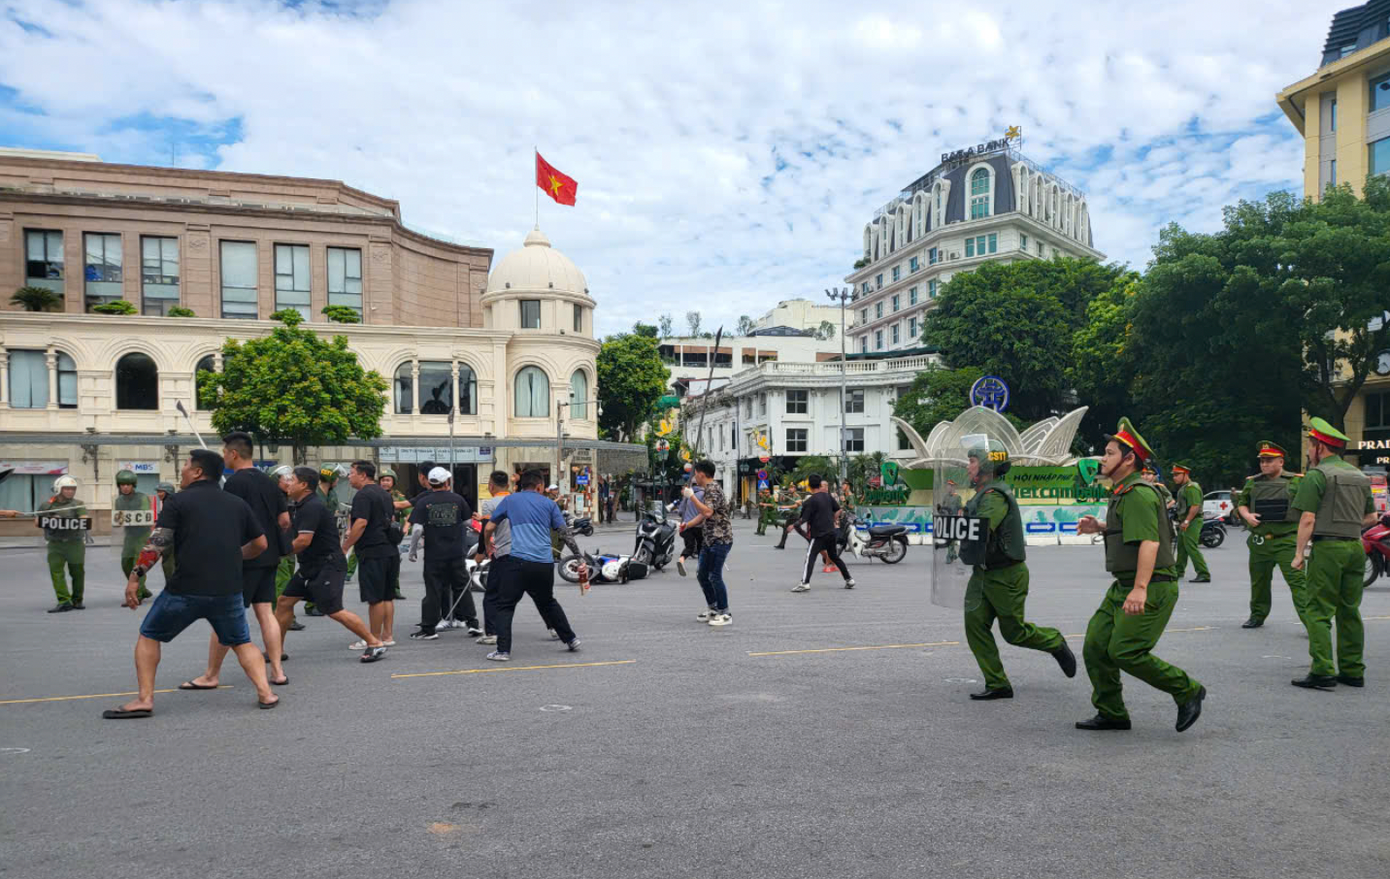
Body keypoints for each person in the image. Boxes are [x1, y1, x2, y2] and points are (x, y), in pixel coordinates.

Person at [102, 449, 278, 719]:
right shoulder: (236, 503)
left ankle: (144, 699)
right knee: (242, 641)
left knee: (149, 635)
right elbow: (261, 544)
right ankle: (266, 693)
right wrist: (235, 556)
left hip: (185, 588)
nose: (181, 470)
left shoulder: (178, 502)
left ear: (197, 472)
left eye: (185, 465)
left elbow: (157, 543)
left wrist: (135, 577)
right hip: (227, 588)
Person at [1074, 418, 1205, 733]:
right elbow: (1133, 531)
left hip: (1152, 585)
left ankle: (1187, 689)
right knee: (1095, 644)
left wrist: (1140, 589)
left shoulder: (1138, 493)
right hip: (1123, 585)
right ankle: (1112, 711)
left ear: (1128, 459)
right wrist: (1101, 527)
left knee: (1125, 651)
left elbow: (1150, 541)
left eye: (1108, 453)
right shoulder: (1122, 492)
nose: (1102, 459)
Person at [958, 444, 1075, 700]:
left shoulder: (994, 496)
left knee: (1014, 633)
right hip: (983, 572)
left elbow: (983, 527)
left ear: (987, 466)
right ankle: (997, 683)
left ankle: (1054, 641)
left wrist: (958, 526)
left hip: (1005, 573)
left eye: (973, 461)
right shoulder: (981, 493)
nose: (968, 466)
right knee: (975, 625)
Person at [181, 433, 291, 690]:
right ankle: (277, 670)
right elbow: (285, 521)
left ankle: (211, 674)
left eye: (224, 452)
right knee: (265, 612)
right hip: (270, 555)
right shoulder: (270, 482)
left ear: (233, 454)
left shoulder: (234, 484)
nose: (223, 457)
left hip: (245, 556)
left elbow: (228, 523)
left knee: (225, 613)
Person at [1290, 418, 1376, 690]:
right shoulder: (1359, 476)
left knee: (1317, 610)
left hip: (1328, 548)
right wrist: (1347, 527)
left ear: (1319, 447)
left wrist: (1299, 553)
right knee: (1349, 609)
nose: (1308, 451)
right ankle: (1352, 670)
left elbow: (1307, 519)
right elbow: (1372, 517)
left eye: (1309, 445)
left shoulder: (1318, 475)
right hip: (1355, 546)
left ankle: (1323, 670)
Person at [274, 467, 387, 662]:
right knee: (284, 602)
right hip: (310, 566)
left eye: (292, 479)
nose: (288, 483)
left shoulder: (312, 507)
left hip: (327, 566)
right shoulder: (301, 505)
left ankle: (374, 643)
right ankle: (275, 650)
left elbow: (303, 541)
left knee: (333, 610)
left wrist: (277, 554)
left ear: (303, 485)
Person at [482, 469, 581, 661]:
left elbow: (489, 527)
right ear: (540, 486)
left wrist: (488, 545)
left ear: (521, 485)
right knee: (548, 602)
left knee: (505, 605)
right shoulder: (549, 504)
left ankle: (503, 651)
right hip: (544, 564)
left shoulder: (510, 500)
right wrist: (578, 556)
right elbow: (564, 533)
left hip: (518, 562)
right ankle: (571, 639)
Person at [1235, 441, 1310, 631]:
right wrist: (1247, 515)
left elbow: (1308, 510)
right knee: (1259, 582)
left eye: (1269, 460)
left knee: (1298, 583)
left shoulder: (1297, 481)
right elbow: (1242, 504)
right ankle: (1257, 615)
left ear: (1281, 462)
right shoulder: (1253, 482)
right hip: (1260, 541)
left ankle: (1311, 622)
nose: (1264, 464)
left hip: (1287, 540)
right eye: (1262, 461)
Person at [407, 467, 482, 640]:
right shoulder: (457, 499)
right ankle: (473, 624)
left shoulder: (424, 501)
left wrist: (412, 550)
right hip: (456, 552)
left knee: (433, 590)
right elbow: (468, 522)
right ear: (447, 482)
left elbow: (417, 529)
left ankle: (429, 629)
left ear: (431, 482)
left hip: (434, 554)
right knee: (462, 587)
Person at [343, 460, 399, 650]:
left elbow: (361, 523)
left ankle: (373, 638)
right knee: (387, 596)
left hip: (373, 551)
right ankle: (387, 635)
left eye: (351, 473)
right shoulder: (385, 494)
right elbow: (391, 519)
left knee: (375, 598)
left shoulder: (363, 495)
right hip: (390, 550)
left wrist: (346, 546)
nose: (349, 477)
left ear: (362, 475)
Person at [790, 474, 855, 593]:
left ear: (809, 486)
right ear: (820, 485)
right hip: (831, 532)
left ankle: (805, 583)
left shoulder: (809, 501)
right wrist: (833, 519)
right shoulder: (828, 497)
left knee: (810, 557)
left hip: (819, 534)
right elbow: (838, 509)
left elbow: (803, 519)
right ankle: (849, 579)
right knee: (834, 556)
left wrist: (792, 526)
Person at [688, 460, 733, 626]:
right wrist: (688, 525)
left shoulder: (713, 489)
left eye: (695, 473)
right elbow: (705, 514)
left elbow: (707, 511)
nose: (694, 477)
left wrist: (691, 496)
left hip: (720, 539)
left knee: (714, 576)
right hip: (709, 538)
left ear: (701, 473)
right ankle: (713, 608)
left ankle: (725, 612)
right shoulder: (708, 490)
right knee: (702, 574)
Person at [39, 475, 89, 612]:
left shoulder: (78, 504)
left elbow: (84, 519)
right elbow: (38, 522)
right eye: (67, 488)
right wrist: (50, 518)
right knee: (56, 573)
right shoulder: (47, 505)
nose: (70, 491)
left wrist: (63, 519)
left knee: (77, 572)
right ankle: (64, 600)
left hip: (75, 543)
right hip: (55, 543)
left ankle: (77, 600)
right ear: (58, 489)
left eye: (73, 489)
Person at [268, 466, 303, 631]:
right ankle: (283, 617)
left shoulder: (291, 499)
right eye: (286, 479)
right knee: (282, 584)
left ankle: (285, 616)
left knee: (287, 581)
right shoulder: (273, 499)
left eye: (291, 479)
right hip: (279, 547)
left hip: (290, 546)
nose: (290, 482)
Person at [113, 469, 155, 604]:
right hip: (129, 536)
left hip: (142, 535)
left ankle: (138, 594)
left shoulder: (142, 497)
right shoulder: (119, 500)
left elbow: (144, 514)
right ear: (119, 486)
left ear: (133, 485)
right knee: (125, 563)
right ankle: (143, 589)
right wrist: (116, 521)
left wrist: (129, 516)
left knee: (138, 566)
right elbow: (118, 519)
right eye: (122, 485)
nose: (125, 487)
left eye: (128, 484)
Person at [1170, 463, 1210, 583]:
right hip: (1185, 520)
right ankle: (1179, 571)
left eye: (1177, 474)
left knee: (1191, 547)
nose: (1174, 477)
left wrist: (1187, 521)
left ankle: (1203, 573)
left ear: (1185, 474)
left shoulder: (1192, 487)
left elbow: (1195, 506)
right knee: (1182, 547)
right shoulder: (1184, 487)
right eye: (1174, 475)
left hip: (1192, 520)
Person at [379, 468, 411, 601]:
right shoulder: (375, 494)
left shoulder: (399, 497)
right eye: (382, 480)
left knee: (394, 563)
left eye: (388, 480)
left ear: (393, 482)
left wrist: (406, 527)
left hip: (392, 534)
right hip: (378, 534)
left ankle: (394, 589)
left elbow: (410, 513)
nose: (385, 483)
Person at [671, 480, 705, 577]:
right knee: (700, 548)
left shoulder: (687, 496)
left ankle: (681, 560)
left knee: (689, 546)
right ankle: (700, 568)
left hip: (686, 526)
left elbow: (681, 511)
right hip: (699, 526)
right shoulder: (704, 494)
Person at [154, 482, 178, 584]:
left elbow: (166, 521)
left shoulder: (169, 503)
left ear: (168, 492)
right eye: (158, 492)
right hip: (173, 537)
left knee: (168, 563)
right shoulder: (171, 502)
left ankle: (172, 586)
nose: (158, 494)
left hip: (170, 537)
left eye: (161, 492)